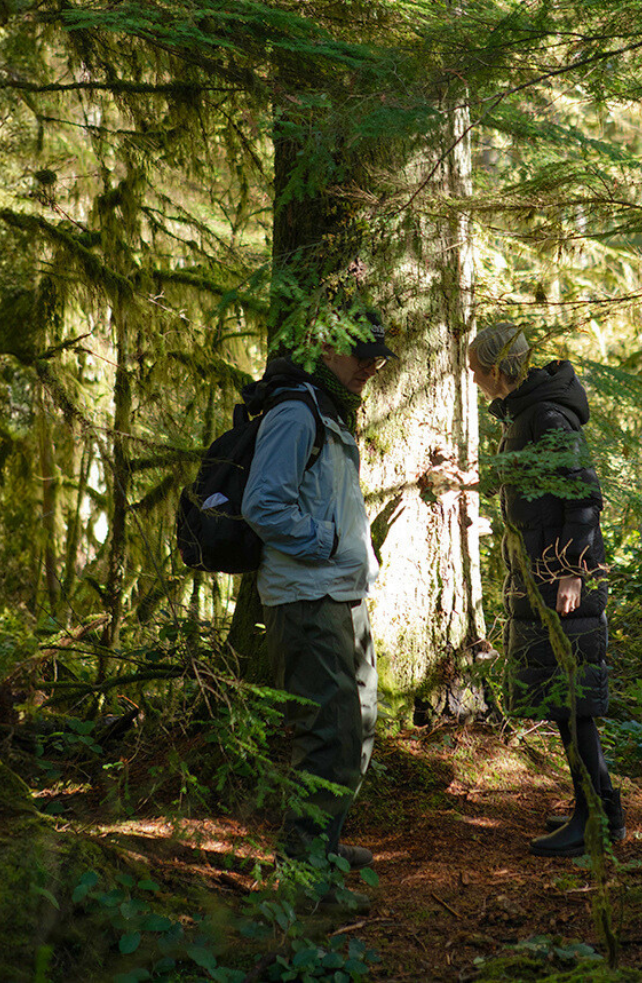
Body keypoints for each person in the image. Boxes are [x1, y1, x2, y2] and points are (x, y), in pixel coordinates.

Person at [242, 304, 395, 867]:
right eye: (362, 356)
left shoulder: (330, 410)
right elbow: (264, 505)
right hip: (306, 599)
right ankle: (305, 872)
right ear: (330, 349)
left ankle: (324, 845)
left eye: (378, 360)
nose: (370, 369)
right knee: (327, 735)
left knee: (359, 726)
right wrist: (328, 543)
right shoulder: (295, 412)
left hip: (340, 593)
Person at [469, 323, 622, 858]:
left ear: (494, 370)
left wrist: (572, 570)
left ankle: (594, 817)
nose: (471, 378)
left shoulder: (546, 415)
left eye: (474, 368)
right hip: (541, 577)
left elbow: (582, 496)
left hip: (565, 581)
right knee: (565, 697)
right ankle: (601, 805)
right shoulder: (524, 413)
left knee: (573, 699)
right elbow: (531, 493)